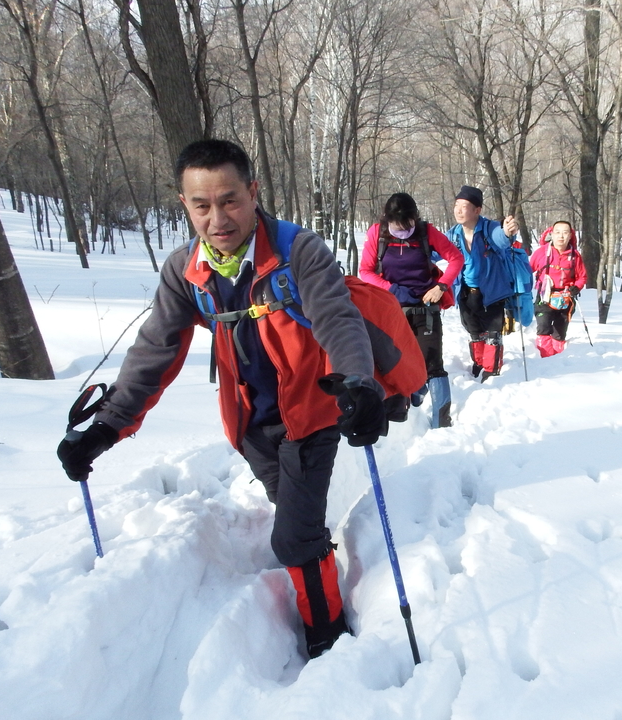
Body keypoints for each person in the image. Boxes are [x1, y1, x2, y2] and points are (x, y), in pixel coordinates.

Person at [57, 139, 389, 660]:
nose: (218, 219)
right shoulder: (185, 271)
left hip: (311, 412)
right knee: (293, 515)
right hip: (250, 424)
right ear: (184, 204)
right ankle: (314, 552)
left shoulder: (298, 251)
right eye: (201, 205)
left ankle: (327, 635)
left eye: (230, 200)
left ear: (253, 192)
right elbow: (156, 351)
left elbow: (337, 318)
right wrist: (105, 428)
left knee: (293, 538)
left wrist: (357, 382)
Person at [360, 193, 464, 428]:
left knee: (432, 364)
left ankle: (441, 422)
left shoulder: (427, 232)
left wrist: (441, 286)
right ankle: (404, 417)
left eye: (407, 224)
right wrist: (392, 289)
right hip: (392, 309)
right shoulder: (378, 234)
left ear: (415, 217)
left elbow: (456, 259)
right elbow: (365, 271)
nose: (403, 229)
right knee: (396, 363)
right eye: (397, 224)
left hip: (425, 308)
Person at [447, 185, 518, 379]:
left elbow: (501, 239)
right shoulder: (453, 234)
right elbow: (436, 252)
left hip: (492, 293)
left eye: (464, 206)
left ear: (477, 210)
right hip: (466, 293)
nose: (458, 210)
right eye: (456, 205)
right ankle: (479, 364)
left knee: (493, 334)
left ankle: (491, 369)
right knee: (474, 332)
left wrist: (507, 232)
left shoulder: (489, 228)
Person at [530, 220, 587, 358]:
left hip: (566, 298)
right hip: (544, 297)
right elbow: (527, 270)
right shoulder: (541, 252)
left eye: (565, 232)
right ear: (552, 234)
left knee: (559, 332)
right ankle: (545, 358)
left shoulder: (575, 256)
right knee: (543, 327)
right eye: (557, 232)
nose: (561, 236)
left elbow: (582, 276)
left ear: (570, 235)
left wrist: (577, 287)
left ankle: (557, 359)